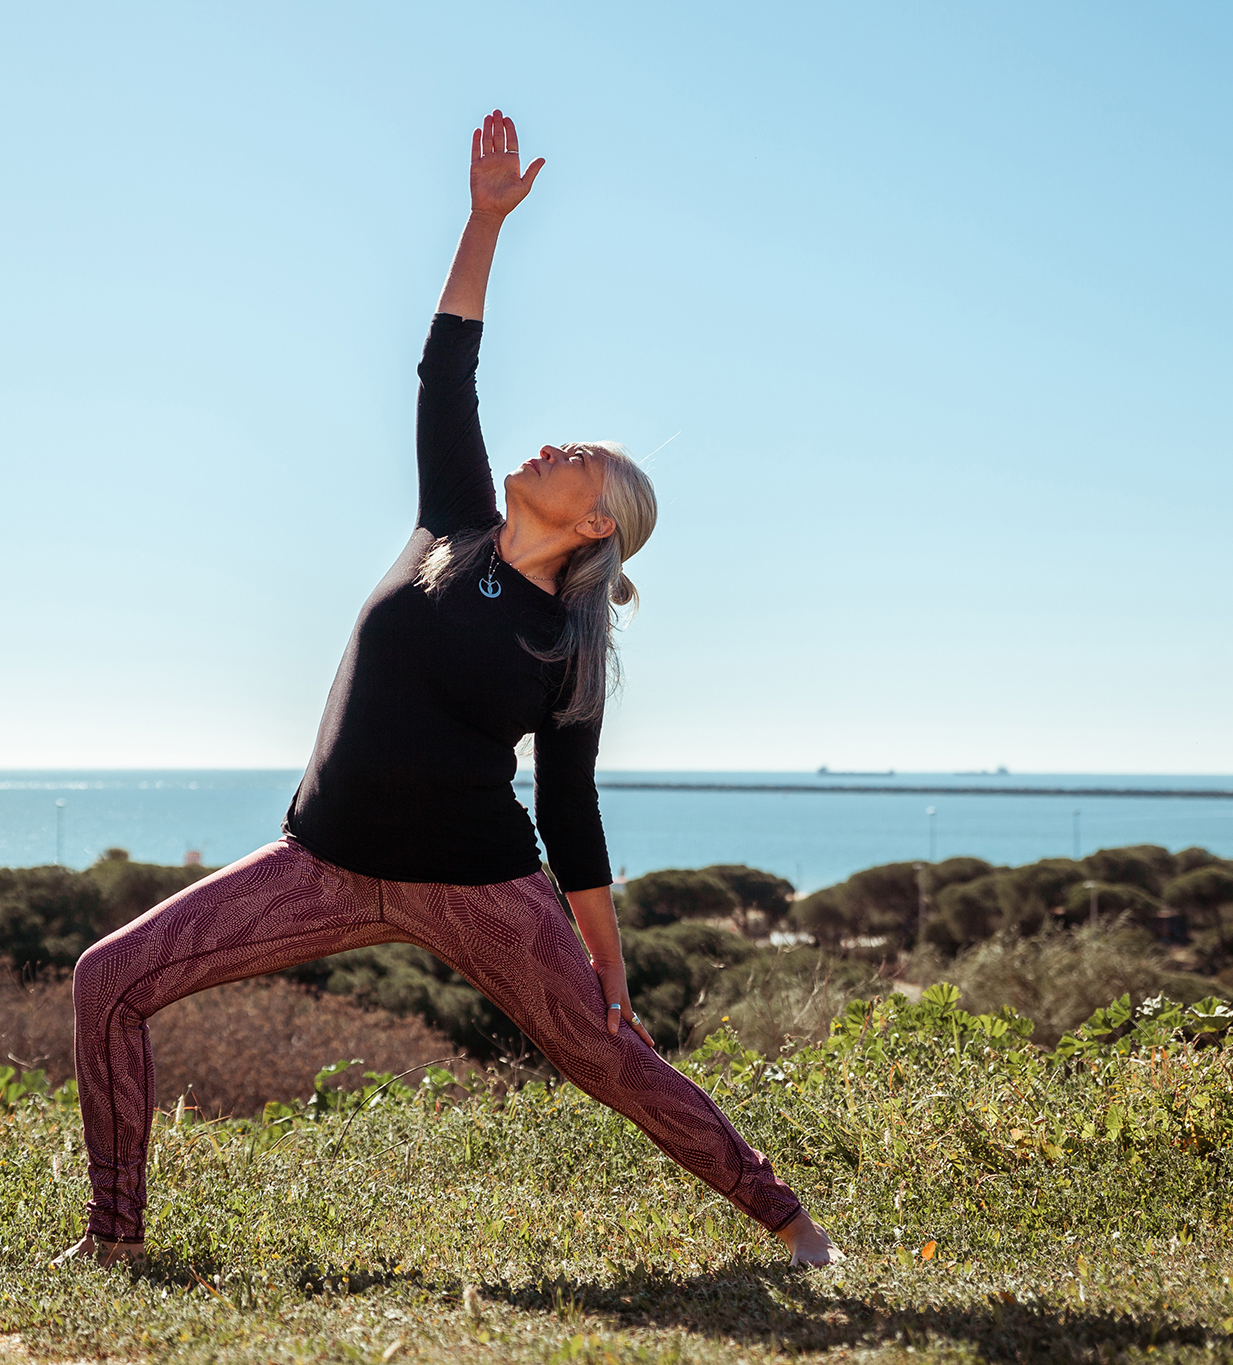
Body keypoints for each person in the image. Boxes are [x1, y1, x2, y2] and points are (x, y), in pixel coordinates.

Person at [53, 110, 844, 1271]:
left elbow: (569, 810)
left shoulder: (565, 646)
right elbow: (446, 370)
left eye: (577, 459)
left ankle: (793, 1228)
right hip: (317, 866)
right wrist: (482, 225)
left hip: (479, 884)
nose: (552, 447)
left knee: (604, 1054)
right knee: (108, 982)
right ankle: (113, 1241)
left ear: (594, 523)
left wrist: (606, 956)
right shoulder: (450, 529)